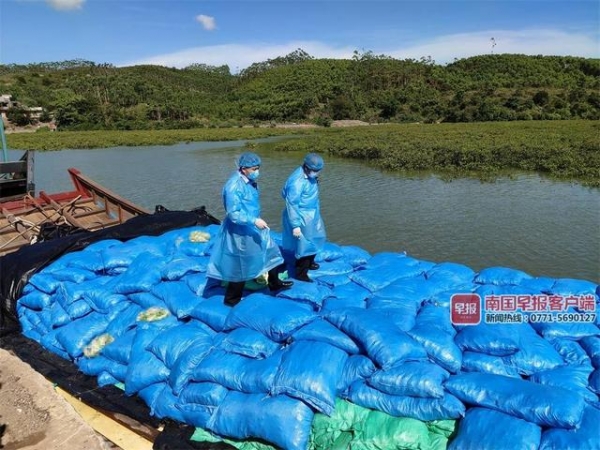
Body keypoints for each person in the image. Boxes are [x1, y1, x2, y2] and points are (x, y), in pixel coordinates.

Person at [207, 152, 292, 306]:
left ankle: (275, 283)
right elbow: (233, 214)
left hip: (253, 226)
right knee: (240, 264)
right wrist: (253, 220)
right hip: (240, 231)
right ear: (243, 168)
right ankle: (231, 299)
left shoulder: (248, 182)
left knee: (270, 252)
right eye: (254, 168)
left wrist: (255, 221)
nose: (257, 171)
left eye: (258, 168)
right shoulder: (233, 186)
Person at [281, 153, 326, 282]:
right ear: (306, 167)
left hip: (312, 213)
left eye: (318, 171)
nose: (317, 173)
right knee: (304, 244)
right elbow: (292, 203)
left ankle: (310, 262)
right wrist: (295, 225)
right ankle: (301, 273)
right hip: (301, 215)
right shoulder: (297, 182)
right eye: (315, 171)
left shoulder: (310, 176)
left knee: (317, 237)